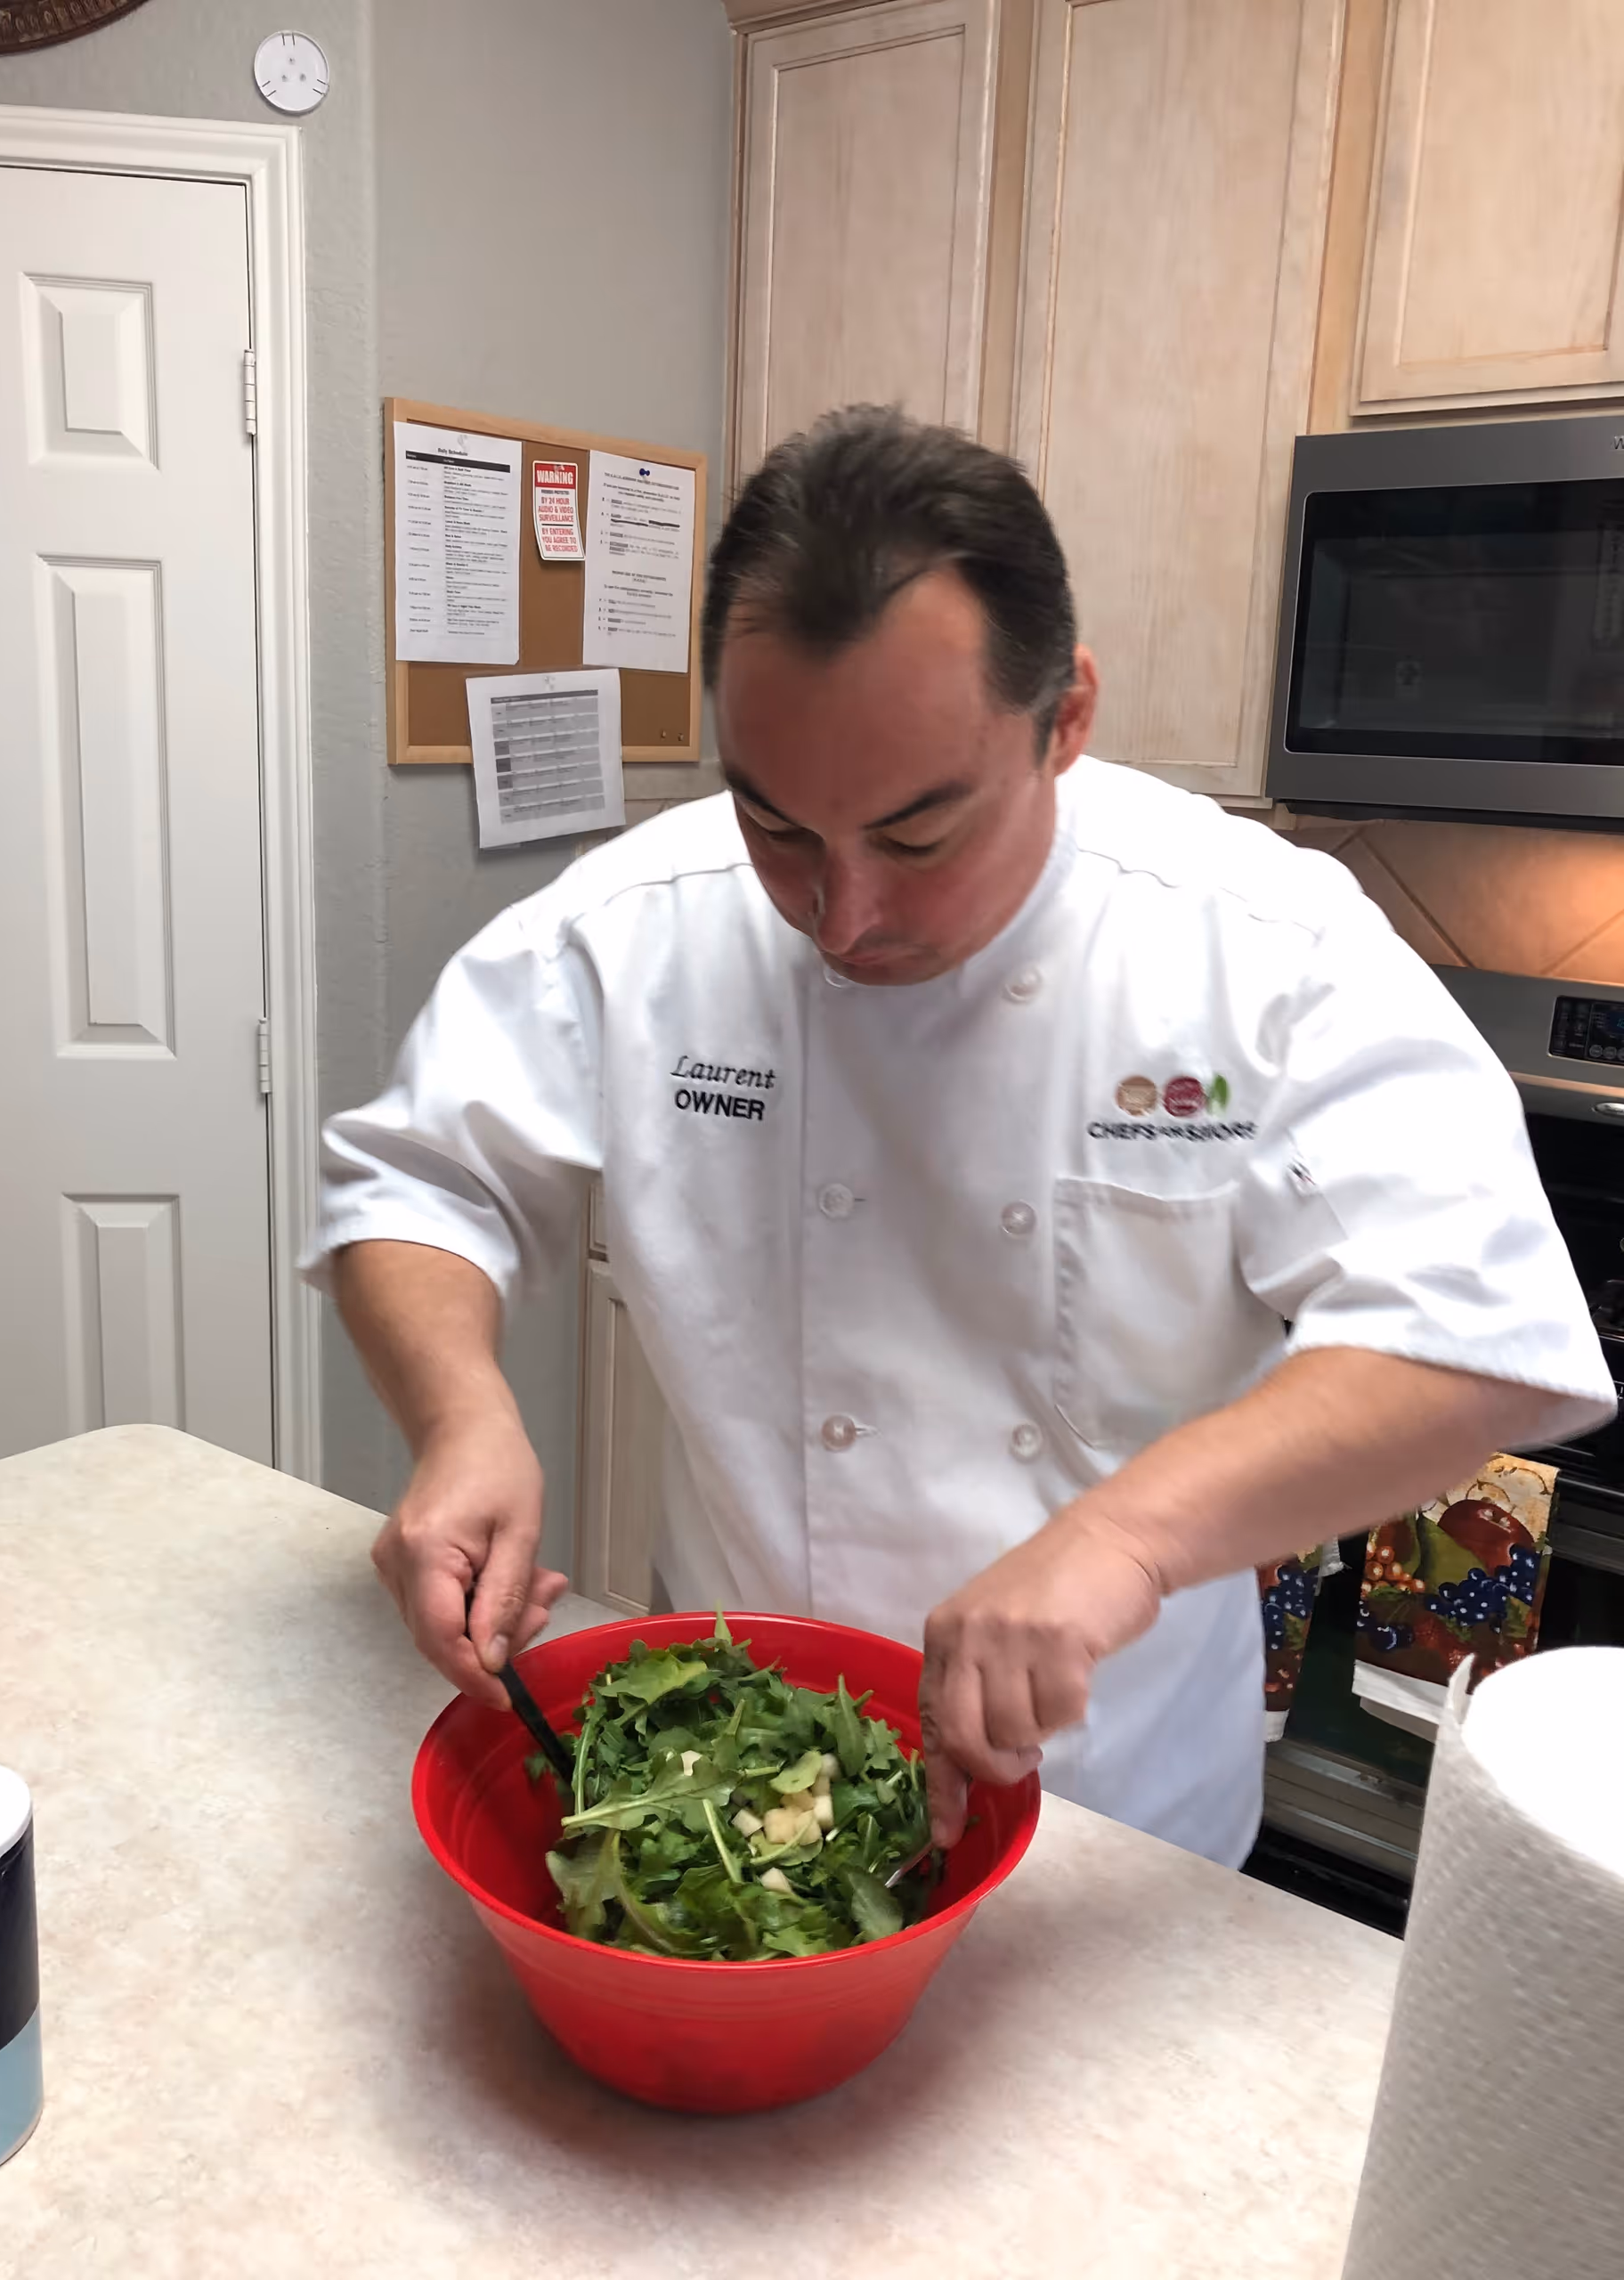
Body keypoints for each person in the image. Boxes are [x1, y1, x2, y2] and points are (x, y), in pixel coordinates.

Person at [306, 405, 1614, 1869]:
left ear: (1066, 718)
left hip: (1113, 1823)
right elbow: (416, 1180)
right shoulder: (642, 921)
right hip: (731, 1767)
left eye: (918, 836)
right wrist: (462, 1418)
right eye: (779, 825)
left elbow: (1476, 1338)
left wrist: (1123, 1540)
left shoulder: (1265, 947)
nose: (840, 913)